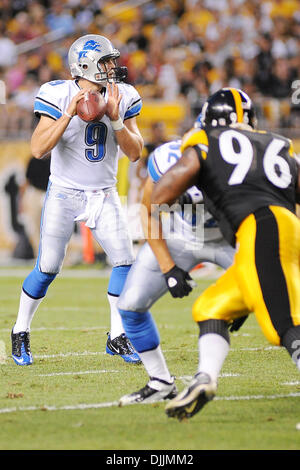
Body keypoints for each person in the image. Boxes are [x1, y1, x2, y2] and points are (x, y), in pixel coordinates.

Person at [148, 87, 300, 421]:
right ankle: (204, 379)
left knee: (284, 327)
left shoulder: (203, 141)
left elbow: (160, 196)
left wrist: (167, 204)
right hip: (280, 230)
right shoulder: (277, 145)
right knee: (211, 307)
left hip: (260, 229)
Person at [11, 34, 144, 366]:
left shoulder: (122, 95)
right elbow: (39, 149)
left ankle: (117, 336)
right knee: (47, 267)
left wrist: (115, 119)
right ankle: (20, 329)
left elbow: (136, 152)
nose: (113, 67)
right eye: (106, 62)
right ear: (86, 65)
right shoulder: (58, 94)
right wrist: (67, 115)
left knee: (125, 261)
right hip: (64, 192)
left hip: (103, 193)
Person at [118, 115, 237, 405]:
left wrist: (244, 283)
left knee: (284, 306)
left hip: (232, 240)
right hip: (181, 234)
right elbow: (148, 211)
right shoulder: (167, 158)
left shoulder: (242, 164)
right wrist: (168, 267)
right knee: (131, 305)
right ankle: (160, 381)